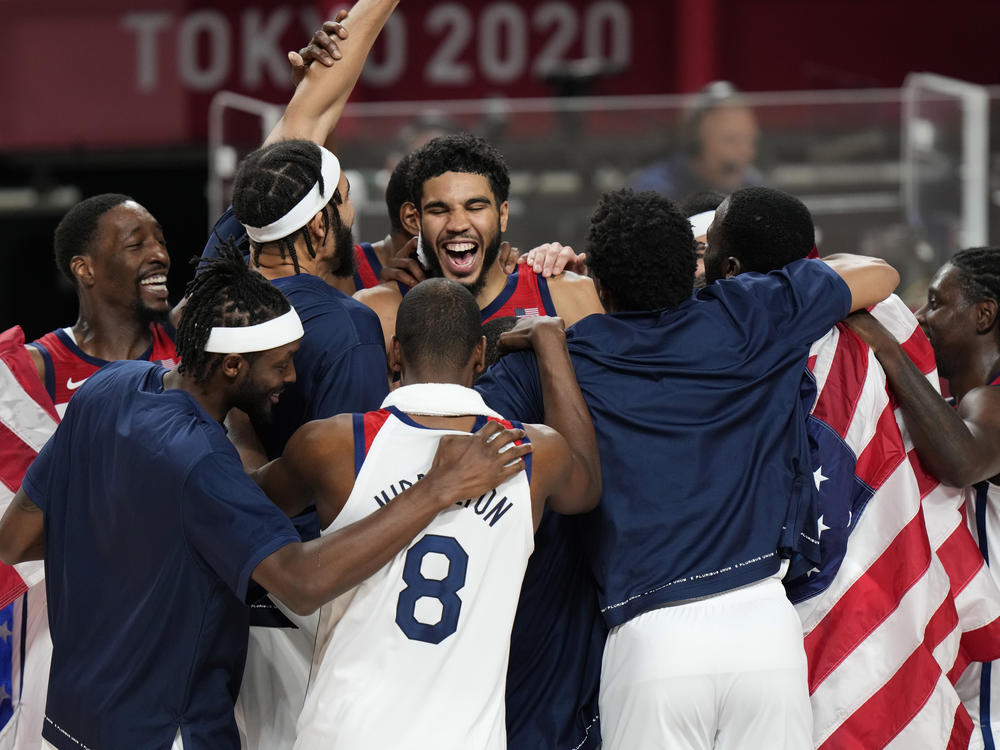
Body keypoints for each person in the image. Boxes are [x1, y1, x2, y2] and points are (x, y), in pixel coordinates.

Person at [0, 246, 527, 750]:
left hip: (71, 722)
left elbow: (17, 537)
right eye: (282, 363)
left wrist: (137, 543)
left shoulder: (108, 387)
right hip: (165, 731)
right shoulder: (204, 462)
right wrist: (436, 489)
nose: (291, 377)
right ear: (233, 367)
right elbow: (302, 582)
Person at [477, 187, 899, 749]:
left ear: (599, 285)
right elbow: (880, 272)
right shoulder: (750, 313)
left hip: (652, 639)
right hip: (765, 630)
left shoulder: (574, 356)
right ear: (692, 265)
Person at [252, 278, 600, 749]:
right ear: (480, 355)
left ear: (395, 354)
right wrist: (549, 342)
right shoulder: (534, 454)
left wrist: (235, 425)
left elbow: (248, 503)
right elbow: (587, 487)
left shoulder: (333, 445)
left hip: (344, 733)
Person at [840, 247, 1000, 744]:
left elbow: (963, 461)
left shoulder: (994, 401)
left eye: (936, 302)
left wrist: (886, 347)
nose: (920, 316)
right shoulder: (960, 404)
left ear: (983, 314)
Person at [356, 133, 603, 338]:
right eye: (439, 210)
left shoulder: (569, 296)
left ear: (503, 215)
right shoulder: (376, 313)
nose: (458, 224)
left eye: (475, 207)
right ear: (415, 219)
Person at [27, 193, 177, 415]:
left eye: (161, 242)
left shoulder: (187, 342)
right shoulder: (38, 368)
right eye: (136, 244)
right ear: (84, 269)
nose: (160, 255)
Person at [632, 81, 763, 201]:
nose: (746, 152)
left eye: (750, 140)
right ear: (695, 144)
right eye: (731, 140)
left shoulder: (753, 185)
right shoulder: (655, 191)